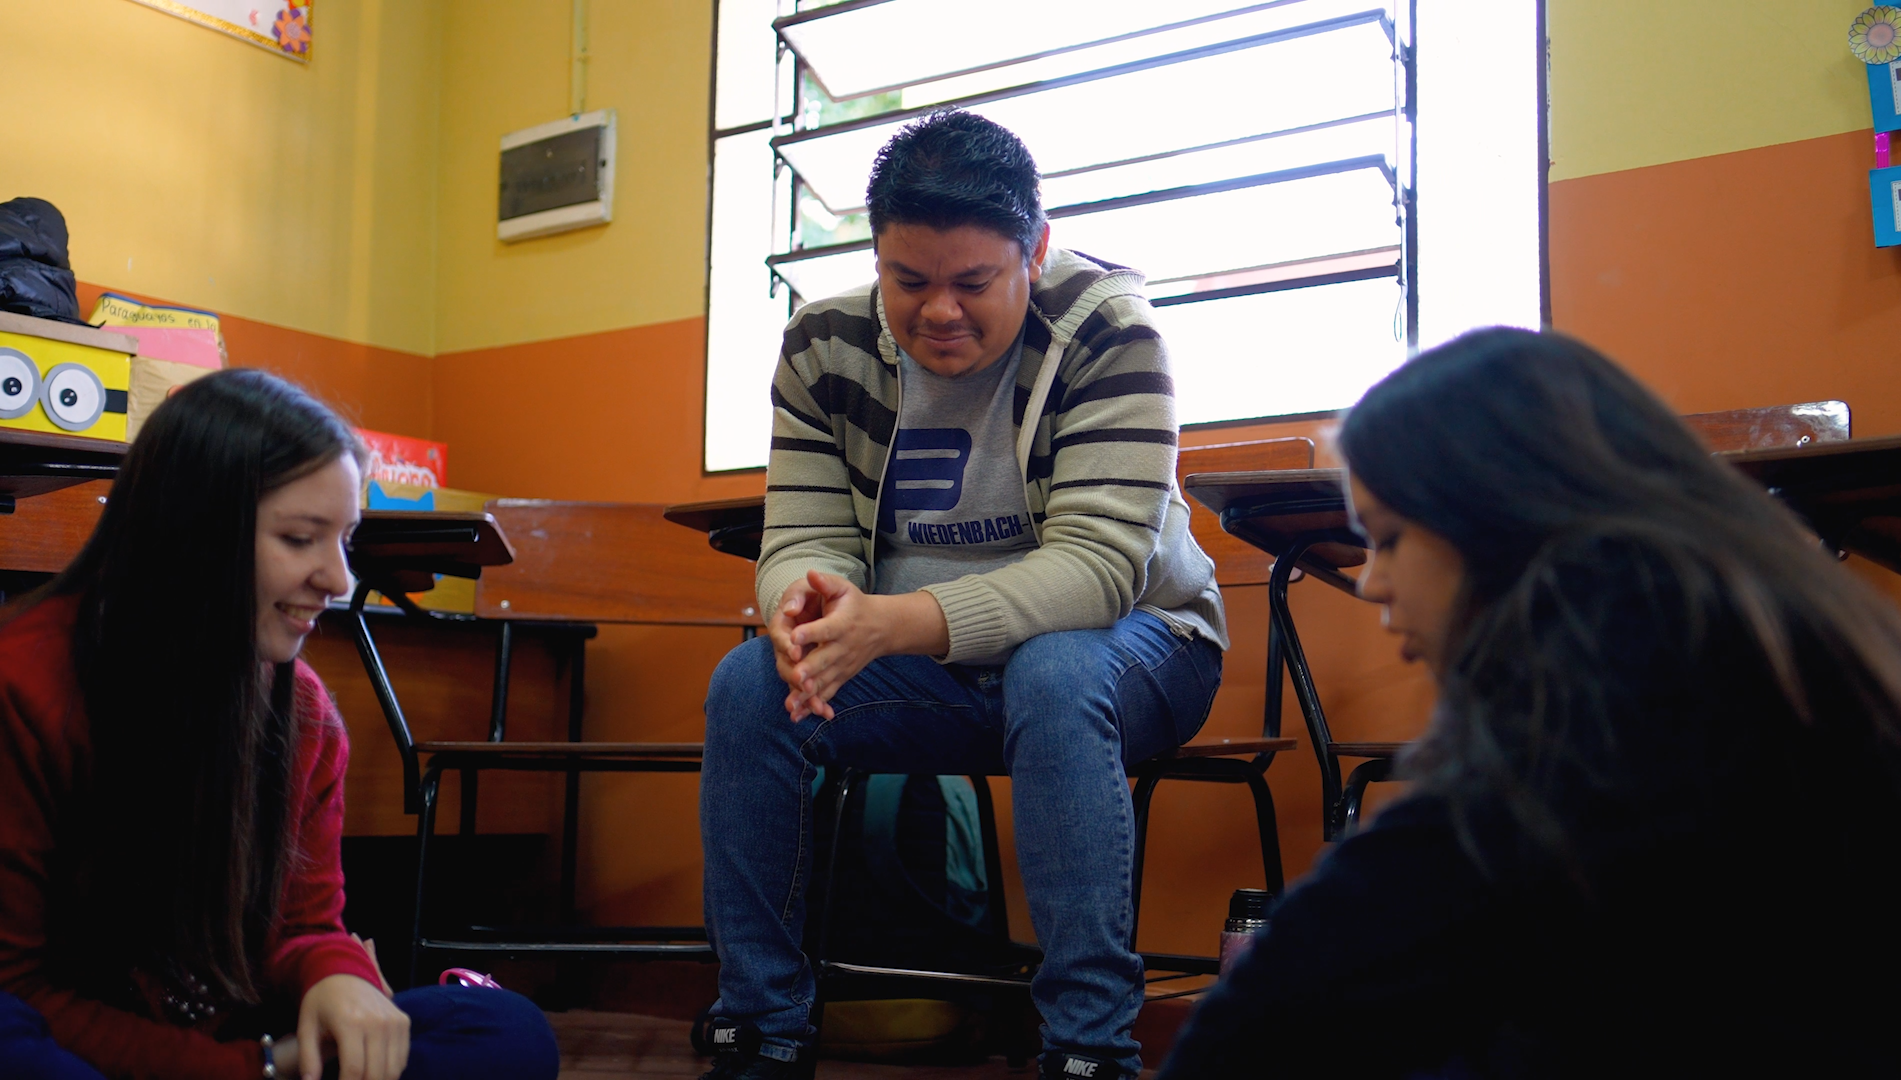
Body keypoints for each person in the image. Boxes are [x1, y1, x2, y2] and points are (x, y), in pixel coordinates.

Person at [1157, 328, 1901, 1078]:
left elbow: (1255, 1024)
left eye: (1388, 539)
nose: (1372, 582)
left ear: (1499, 517)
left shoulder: (1602, 723)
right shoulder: (1777, 646)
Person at [699, 109, 1227, 1080]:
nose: (939, 310)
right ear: (877, 257)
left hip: (1142, 645)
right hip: (930, 669)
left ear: (1037, 249)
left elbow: (1100, 569)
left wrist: (894, 623)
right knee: (748, 690)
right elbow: (804, 536)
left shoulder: (1109, 329)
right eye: (910, 281)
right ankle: (759, 1029)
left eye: (974, 283)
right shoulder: (824, 346)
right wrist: (803, 606)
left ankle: (1088, 1048)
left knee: (1057, 671)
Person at [0, 370, 561, 1080]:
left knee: (503, 1032)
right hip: (87, 1046)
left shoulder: (303, 715)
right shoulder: (25, 685)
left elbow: (303, 925)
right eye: (300, 539)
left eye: (345, 540)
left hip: (243, 1039)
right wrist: (259, 1069)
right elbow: (19, 985)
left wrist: (338, 977)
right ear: (191, 533)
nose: (339, 579)